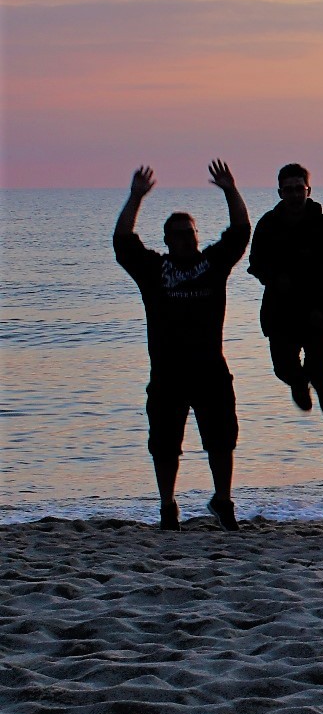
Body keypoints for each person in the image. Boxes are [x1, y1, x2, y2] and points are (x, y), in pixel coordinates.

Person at [114, 162, 251, 531]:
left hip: (210, 368)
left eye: (188, 232)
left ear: (196, 234)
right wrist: (135, 197)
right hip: (168, 372)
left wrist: (230, 189)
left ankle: (222, 501)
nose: (183, 238)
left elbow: (241, 231)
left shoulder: (211, 263)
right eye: (175, 234)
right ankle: (167, 505)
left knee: (222, 440)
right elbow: (123, 242)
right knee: (164, 444)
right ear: (166, 239)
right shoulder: (153, 270)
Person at [247, 163, 323, 415]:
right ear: (280, 193)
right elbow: (256, 264)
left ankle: (320, 383)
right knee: (284, 369)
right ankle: (298, 383)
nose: (295, 194)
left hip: (319, 312)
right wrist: (274, 278)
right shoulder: (268, 225)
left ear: (308, 190)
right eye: (289, 190)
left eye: (299, 189)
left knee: (318, 371)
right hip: (280, 311)